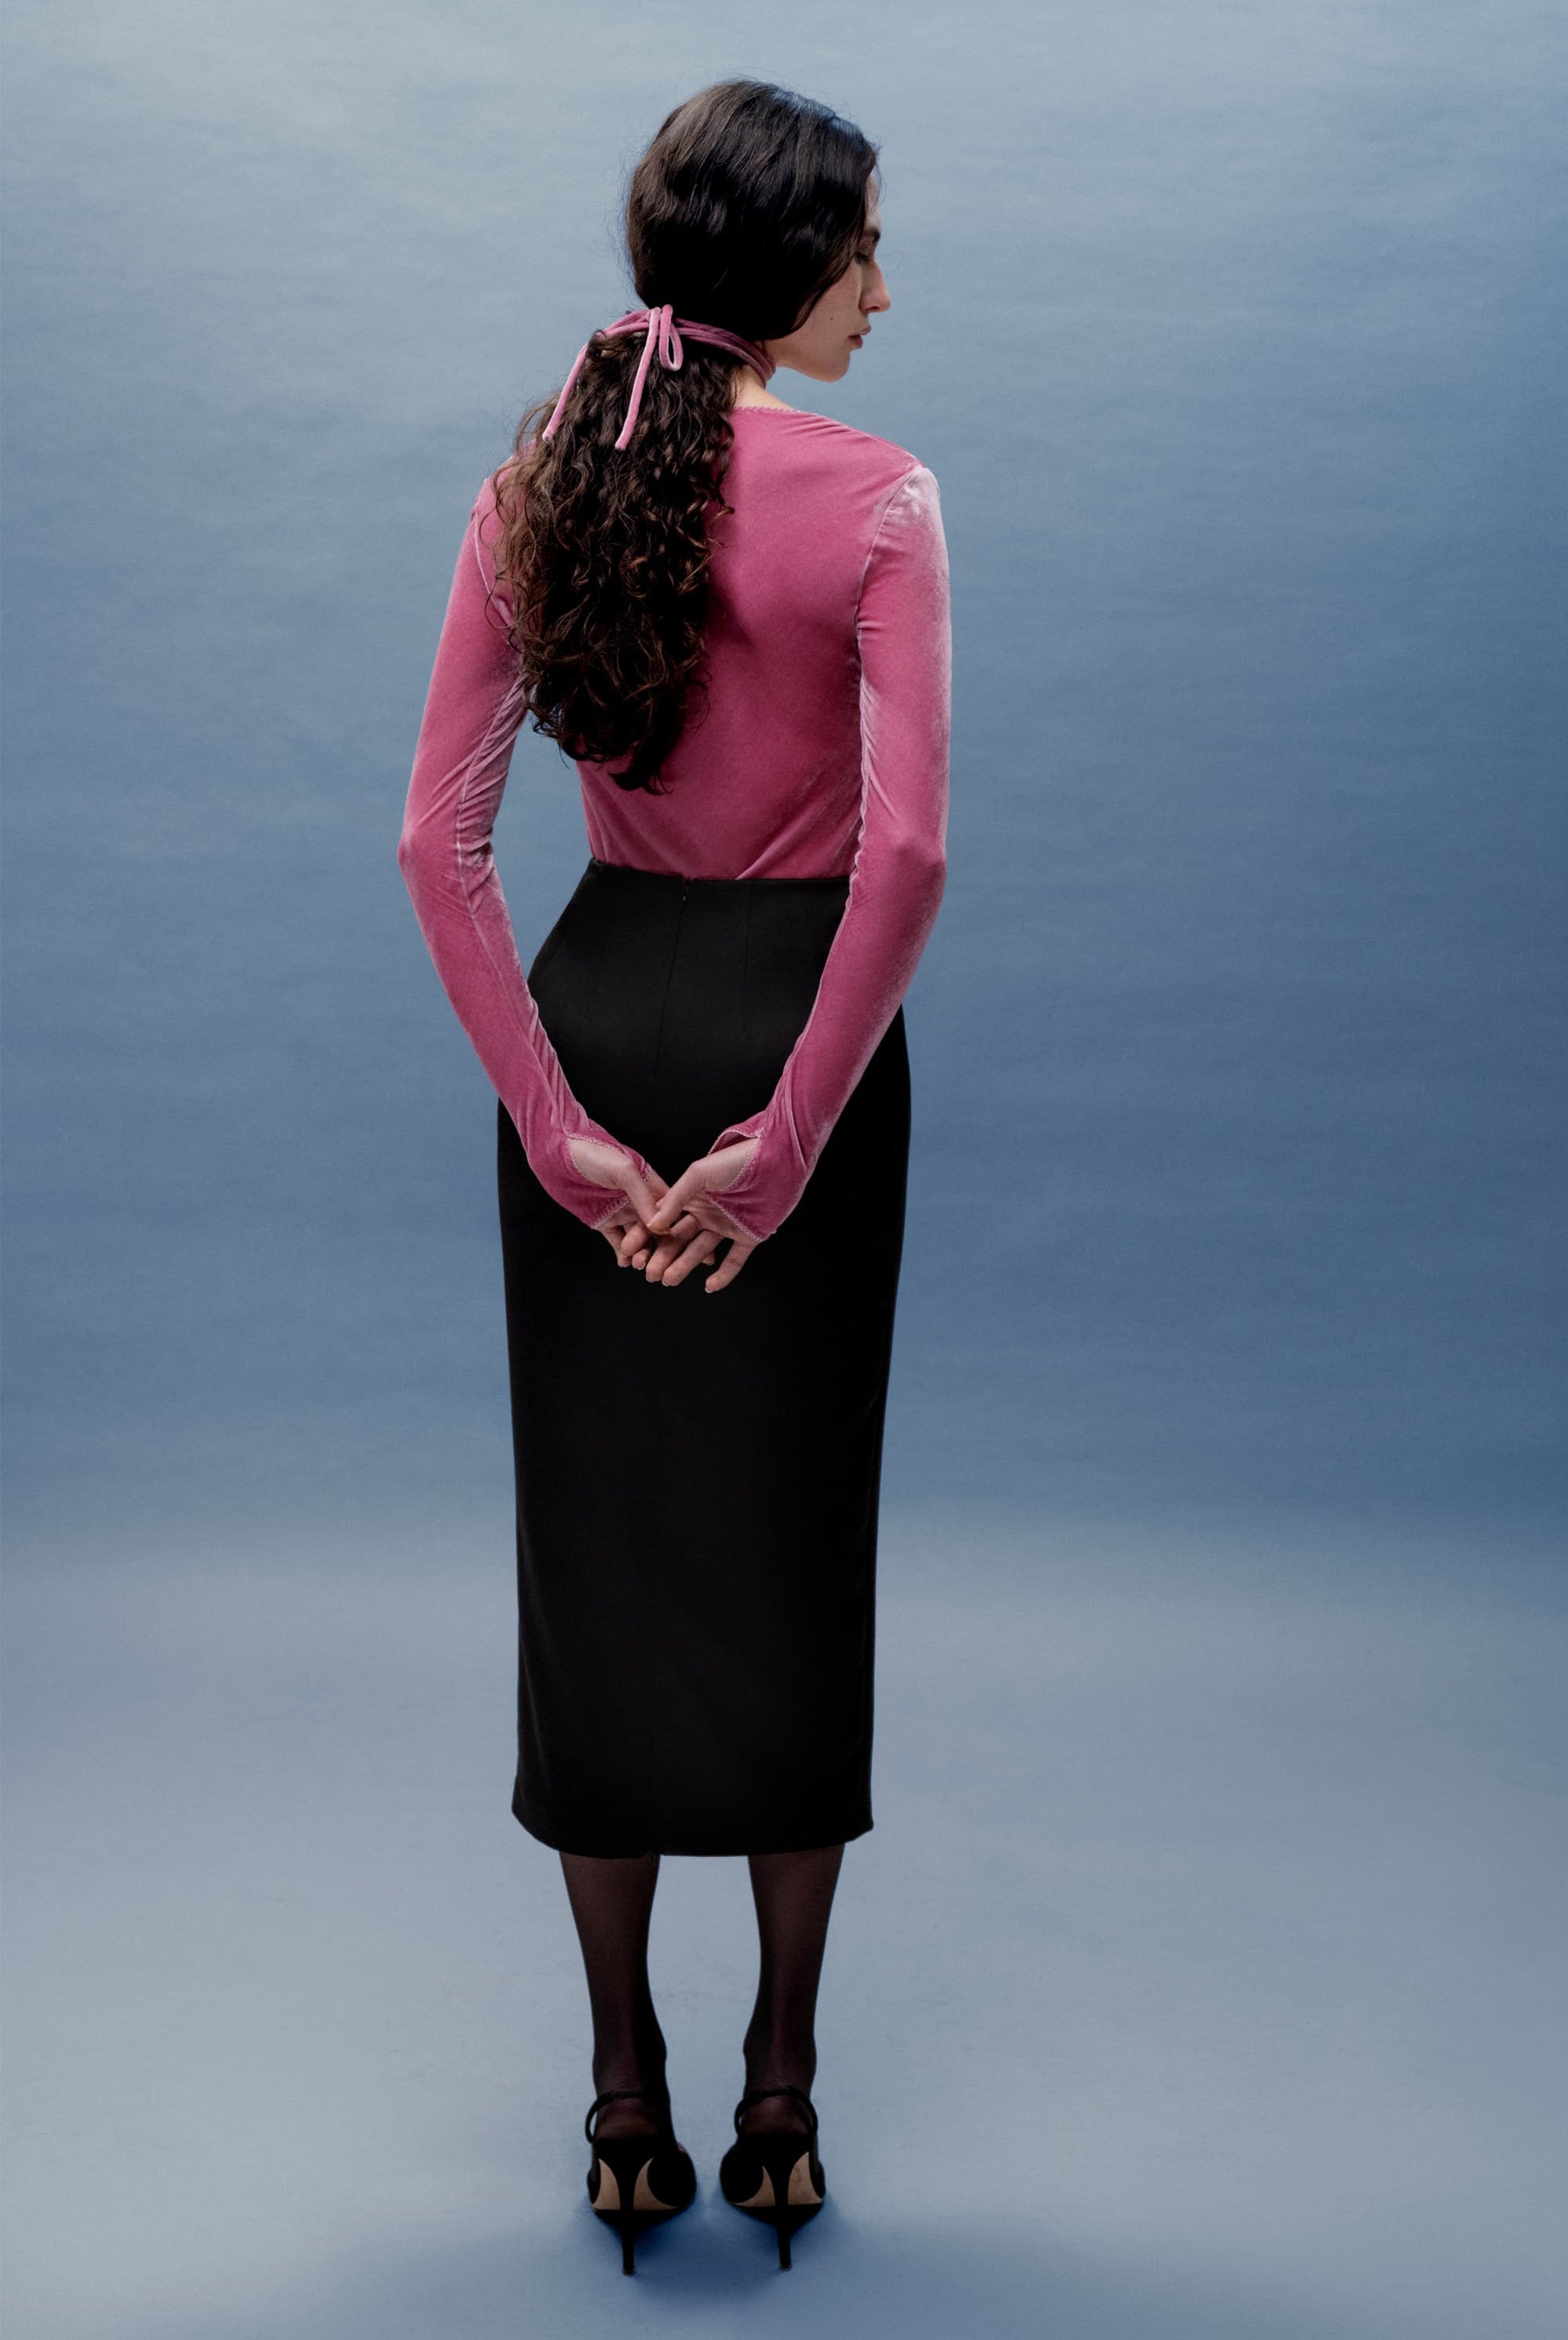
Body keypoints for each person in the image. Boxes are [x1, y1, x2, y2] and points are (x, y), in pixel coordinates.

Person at [397, 78, 950, 2273]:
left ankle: (619, 2090)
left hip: (605, 1022)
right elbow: (901, 855)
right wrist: (789, 1136)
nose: (885, 292)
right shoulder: (882, 498)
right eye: (866, 252)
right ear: (783, 266)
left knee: (602, 1561)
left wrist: (560, 1126)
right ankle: (779, 2091)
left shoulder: (545, 475)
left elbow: (434, 845)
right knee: (793, 1551)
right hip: (796, 1048)